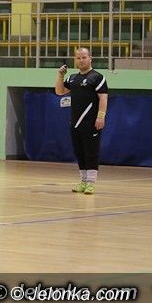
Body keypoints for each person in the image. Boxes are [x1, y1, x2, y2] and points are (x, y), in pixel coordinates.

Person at [55, 47, 108, 195]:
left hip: (91, 122)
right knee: (80, 152)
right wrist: (60, 76)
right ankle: (83, 181)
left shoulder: (97, 77)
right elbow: (59, 91)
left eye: (84, 57)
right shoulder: (72, 78)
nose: (81, 60)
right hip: (75, 122)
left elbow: (103, 98)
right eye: (78, 58)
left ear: (90, 58)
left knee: (91, 152)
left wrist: (101, 117)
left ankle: (91, 183)